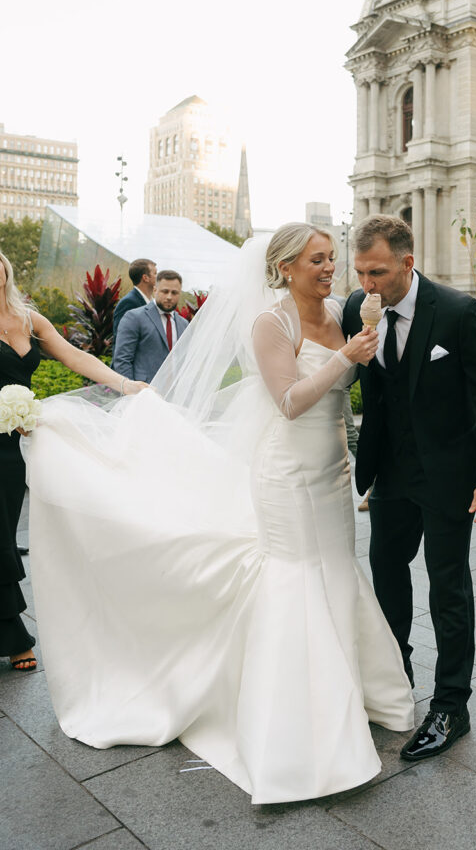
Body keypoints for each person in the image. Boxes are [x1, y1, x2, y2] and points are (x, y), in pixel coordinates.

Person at [22, 225, 414, 804]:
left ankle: (348, 689)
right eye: (317, 260)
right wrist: (346, 358)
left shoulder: (341, 310)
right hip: (285, 473)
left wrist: (365, 338)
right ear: (284, 269)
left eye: (332, 259)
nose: (331, 269)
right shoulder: (270, 324)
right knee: (295, 575)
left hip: (333, 470)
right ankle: (293, 720)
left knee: (335, 569)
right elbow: (287, 401)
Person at [342, 215, 476, 762]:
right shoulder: (355, 310)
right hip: (390, 475)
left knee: (448, 588)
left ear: (407, 263)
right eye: (361, 272)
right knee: (386, 578)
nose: (368, 284)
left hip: (448, 475)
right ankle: (396, 683)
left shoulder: (459, 313)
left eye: (378, 272)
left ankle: (451, 706)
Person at [0, 250, 145, 674]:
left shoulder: (29, 320)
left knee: (6, 532)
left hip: (12, 447)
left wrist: (124, 384)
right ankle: (14, 636)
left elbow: (74, 357)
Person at [112, 270, 188, 383]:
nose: (169, 297)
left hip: (175, 393)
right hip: (143, 393)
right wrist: (132, 392)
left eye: (174, 293)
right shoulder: (134, 317)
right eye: (165, 291)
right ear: (155, 290)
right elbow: (122, 360)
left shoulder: (184, 324)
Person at [112, 258, 157, 345]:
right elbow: (121, 340)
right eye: (155, 273)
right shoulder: (128, 303)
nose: (158, 277)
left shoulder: (153, 302)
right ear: (145, 278)